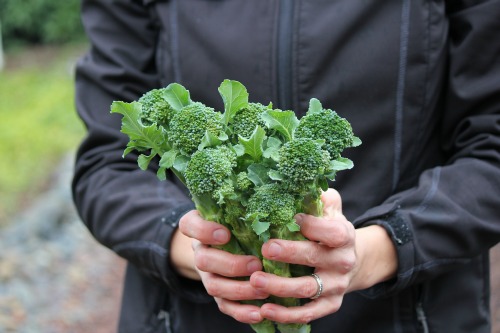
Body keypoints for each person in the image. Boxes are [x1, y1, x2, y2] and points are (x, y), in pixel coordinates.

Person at [72, 1, 500, 332]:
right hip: (187, 318)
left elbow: (490, 150)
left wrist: (378, 250)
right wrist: (200, 248)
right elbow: (106, 163)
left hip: (410, 313)